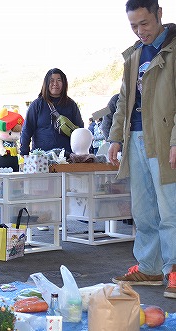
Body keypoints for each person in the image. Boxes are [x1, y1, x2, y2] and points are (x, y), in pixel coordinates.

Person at [108, 0, 176, 299]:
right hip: (135, 138)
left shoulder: (173, 50)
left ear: (160, 14)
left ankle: (174, 269)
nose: (140, 31)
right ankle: (149, 267)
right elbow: (124, 101)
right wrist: (115, 138)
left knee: (170, 209)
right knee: (144, 210)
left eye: (144, 23)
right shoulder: (134, 55)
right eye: (134, 26)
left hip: (163, 138)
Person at [19, 68, 84, 156]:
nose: (55, 84)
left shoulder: (71, 105)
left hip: (66, 157)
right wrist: (24, 152)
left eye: (59, 80)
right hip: (42, 158)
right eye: (51, 80)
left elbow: (79, 131)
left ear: (64, 83)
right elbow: (27, 129)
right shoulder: (37, 104)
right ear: (46, 83)